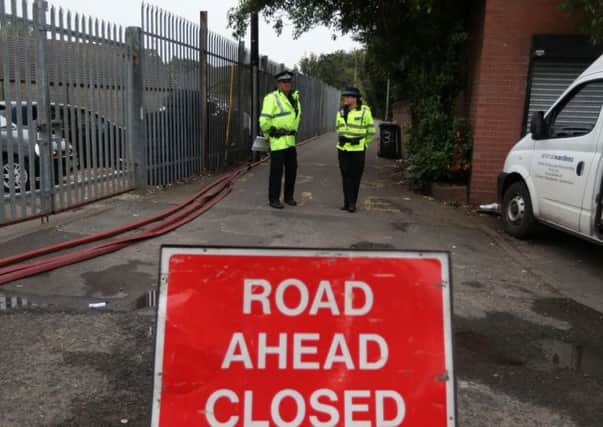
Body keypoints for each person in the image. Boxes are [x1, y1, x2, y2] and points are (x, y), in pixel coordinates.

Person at [259, 70, 302, 209]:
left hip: (290, 141)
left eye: (289, 82)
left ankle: (289, 197)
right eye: (284, 82)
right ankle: (274, 199)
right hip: (277, 141)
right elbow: (264, 120)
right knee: (276, 172)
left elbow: (296, 117)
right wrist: (269, 136)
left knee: (292, 170)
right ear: (278, 84)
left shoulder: (295, 98)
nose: (287, 84)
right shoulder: (271, 98)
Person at [335, 87, 376, 212]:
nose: (345, 99)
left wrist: (363, 144)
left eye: (347, 97)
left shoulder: (365, 112)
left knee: (355, 177)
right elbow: (338, 128)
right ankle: (346, 203)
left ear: (355, 98)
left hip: (357, 150)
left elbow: (371, 132)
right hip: (342, 149)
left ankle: (352, 203)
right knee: (345, 176)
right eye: (345, 96)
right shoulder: (341, 111)